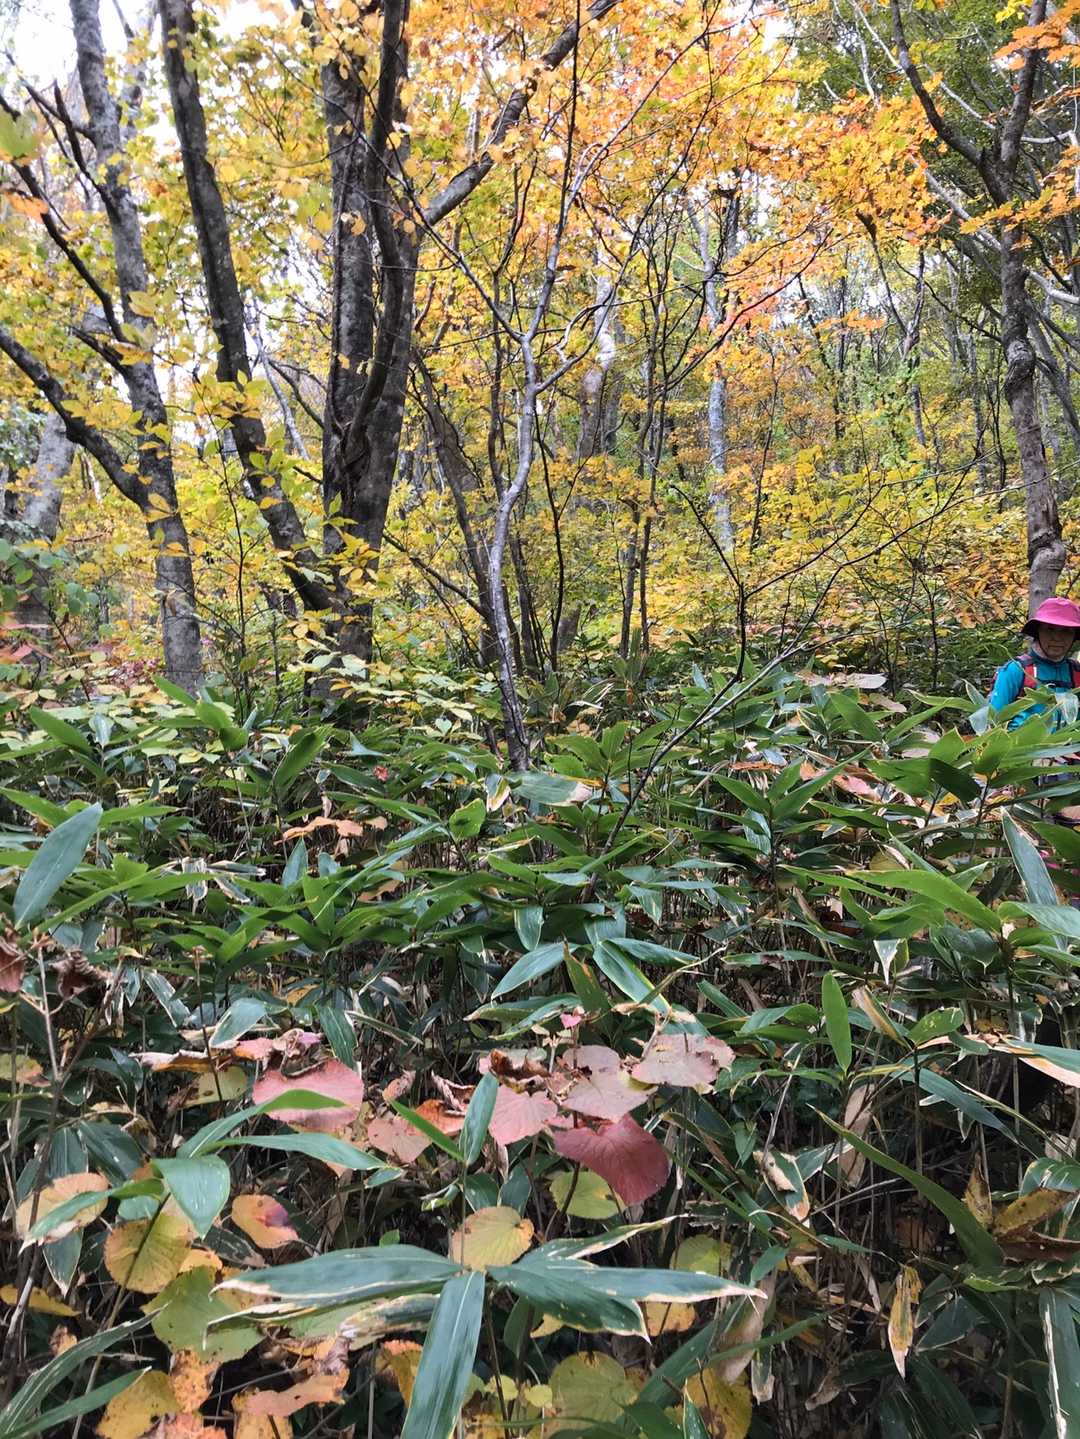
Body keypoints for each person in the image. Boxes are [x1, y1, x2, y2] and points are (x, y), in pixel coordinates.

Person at [988, 596, 1080, 727]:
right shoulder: (1016, 670)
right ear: (1038, 631)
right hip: (1021, 740)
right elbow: (993, 722)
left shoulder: (1076, 672)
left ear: (1074, 636)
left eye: (1066, 631)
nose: (1057, 637)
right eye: (1050, 629)